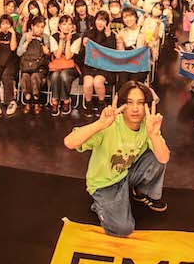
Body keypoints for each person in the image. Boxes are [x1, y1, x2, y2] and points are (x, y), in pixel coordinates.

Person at [63, 81, 169, 237]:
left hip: (126, 173)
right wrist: (100, 124)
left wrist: (154, 135)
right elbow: (69, 142)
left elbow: (164, 158)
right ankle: (100, 205)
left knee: (157, 152)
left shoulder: (147, 126)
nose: (135, 108)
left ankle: (139, 192)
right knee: (123, 229)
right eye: (129, 102)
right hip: (105, 184)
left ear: (147, 106)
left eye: (140, 103)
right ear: (122, 105)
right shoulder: (110, 125)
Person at [80, 11, 116, 117]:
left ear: (107, 23)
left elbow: (112, 52)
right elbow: (82, 53)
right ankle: (89, 105)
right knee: (88, 83)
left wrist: (108, 36)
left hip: (104, 67)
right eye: (99, 20)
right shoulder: (88, 33)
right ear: (95, 20)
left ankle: (101, 104)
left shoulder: (111, 35)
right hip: (89, 66)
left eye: (103, 20)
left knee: (97, 82)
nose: (100, 23)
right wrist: (84, 45)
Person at [17, 15, 50, 114]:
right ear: (32, 26)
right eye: (37, 26)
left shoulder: (45, 37)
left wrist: (46, 51)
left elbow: (48, 54)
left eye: (42, 27)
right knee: (25, 77)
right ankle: (27, 101)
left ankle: (36, 102)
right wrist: (27, 41)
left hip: (40, 68)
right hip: (27, 66)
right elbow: (19, 53)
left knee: (34, 77)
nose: (40, 29)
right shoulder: (25, 36)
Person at [48, 15, 80, 116]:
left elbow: (68, 56)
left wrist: (69, 40)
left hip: (71, 67)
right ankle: (55, 101)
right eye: (64, 24)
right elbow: (57, 55)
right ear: (59, 26)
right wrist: (61, 40)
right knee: (55, 76)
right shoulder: (53, 37)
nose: (67, 26)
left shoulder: (77, 38)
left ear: (73, 26)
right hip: (57, 66)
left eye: (69, 24)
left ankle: (66, 100)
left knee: (64, 75)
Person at [0, 14, 19, 117]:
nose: (5, 26)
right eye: (3, 24)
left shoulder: (15, 35)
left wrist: (13, 34)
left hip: (11, 62)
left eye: (7, 23)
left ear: (11, 25)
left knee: (6, 77)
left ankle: (10, 101)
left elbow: (13, 48)